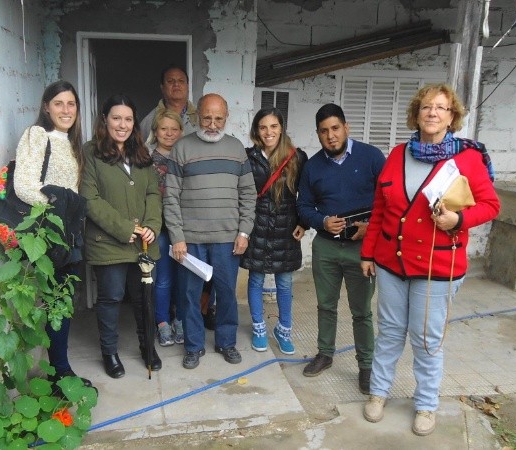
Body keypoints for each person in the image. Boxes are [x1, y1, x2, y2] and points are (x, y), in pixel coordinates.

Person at [359, 83, 499, 436]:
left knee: (426, 340)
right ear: (416, 114)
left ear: (452, 117)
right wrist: (368, 252)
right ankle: (378, 393)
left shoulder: (467, 159)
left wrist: (458, 220)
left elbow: (491, 205)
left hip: (436, 266)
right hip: (391, 264)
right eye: (426, 107)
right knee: (389, 333)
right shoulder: (397, 155)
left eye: (440, 107)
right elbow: (380, 209)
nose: (432, 113)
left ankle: (426, 404)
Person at [296, 103, 385, 394]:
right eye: (324, 131)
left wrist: (370, 228)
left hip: (362, 249)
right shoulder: (312, 167)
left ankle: (366, 365)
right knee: (326, 305)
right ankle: (325, 354)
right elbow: (303, 206)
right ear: (318, 134)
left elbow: (389, 201)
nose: (331, 136)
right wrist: (321, 221)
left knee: (361, 311)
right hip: (326, 247)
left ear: (346, 127)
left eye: (335, 128)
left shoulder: (372, 157)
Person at [163, 93, 256, 369]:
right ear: (196, 117)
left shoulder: (237, 149)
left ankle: (226, 342)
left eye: (218, 119)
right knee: (189, 296)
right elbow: (171, 197)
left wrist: (244, 232)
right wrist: (177, 237)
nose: (213, 125)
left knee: (227, 293)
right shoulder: (182, 148)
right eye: (207, 118)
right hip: (191, 240)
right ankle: (193, 346)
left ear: (226, 117)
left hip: (228, 238)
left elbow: (248, 194)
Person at [13, 80, 91, 389]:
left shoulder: (71, 143)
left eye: (71, 104)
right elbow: (24, 185)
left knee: (64, 302)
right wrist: (59, 207)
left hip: (68, 233)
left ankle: (60, 369)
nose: (66, 110)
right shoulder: (37, 135)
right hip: (49, 233)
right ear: (47, 107)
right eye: (59, 103)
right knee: (55, 302)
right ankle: (59, 372)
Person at [80, 94, 162, 379]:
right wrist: (125, 228)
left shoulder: (141, 153)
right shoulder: (91, 152)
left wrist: (152, 225)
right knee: (111, 297)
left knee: (144, 298)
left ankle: (147, 346)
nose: (122, 125)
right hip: (108, 243)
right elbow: (89, 198)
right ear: (105, 120)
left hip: (143, 243)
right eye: (116, 118)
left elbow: (153, 193)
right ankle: (110, 352)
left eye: (128, 119)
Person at [241, 107, 308, 355]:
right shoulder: (248, 157)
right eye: (263, 127)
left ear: (281, 128)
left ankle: (284, 329)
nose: (268, 132)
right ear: (256, 131)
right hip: (256, 225)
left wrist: (304, 222)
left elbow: (306, 194)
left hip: (286, 228)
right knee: (256, 279)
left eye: (273, 126)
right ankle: (259, 328)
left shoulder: (296, 157)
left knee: (285, 282)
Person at [147, 110, 185, 346]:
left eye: (174, 129)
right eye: (164, 129)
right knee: (163, 278)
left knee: (183, 278)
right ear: (155, 131)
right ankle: (162, 322)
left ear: (181, 131)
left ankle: (180, 319)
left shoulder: (185, 158)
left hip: (183, 228)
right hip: (160, 228)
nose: (169, 133)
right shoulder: (146, 161)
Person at [139, 65, 199, 142]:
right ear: (162, 87)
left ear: (187, 86)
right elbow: (140, 148)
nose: (176, 84)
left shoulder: (201, 117)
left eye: (181, 81)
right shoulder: (150, 120)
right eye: (170, 81)